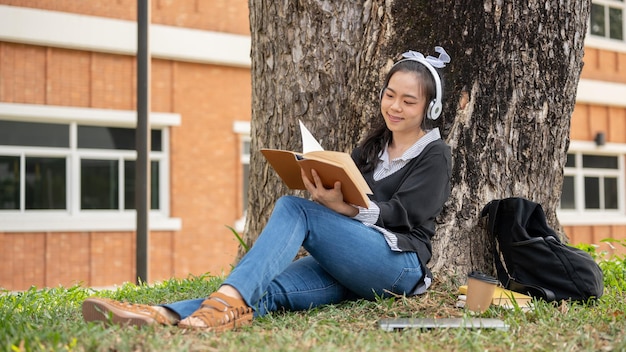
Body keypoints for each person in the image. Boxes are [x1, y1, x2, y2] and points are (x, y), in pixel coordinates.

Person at [82, 47, 453, 332]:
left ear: (430, 107)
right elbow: (352, 193)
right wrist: (327, 190)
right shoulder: (373, 146)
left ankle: (207, 306)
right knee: (269, 287)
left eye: (408, 101)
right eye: (390, 95)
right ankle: (166, 314)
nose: (395, 107)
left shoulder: (434, 154)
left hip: (398, 267)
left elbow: (404, 215)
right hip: (353, 262)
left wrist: (346, 210)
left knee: (295, 209)